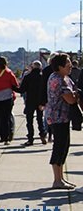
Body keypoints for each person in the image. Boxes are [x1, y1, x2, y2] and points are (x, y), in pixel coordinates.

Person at [45, 53, 77, 189]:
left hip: (62, 117)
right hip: (57, 117)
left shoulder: (64, 78)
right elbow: (70, 98)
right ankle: (57, 180)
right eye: (67, 63)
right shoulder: (59, 79)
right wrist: (76, 95)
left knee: (64, 147)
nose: (70, 65)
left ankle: (60, 178)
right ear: (59, 66)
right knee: (59, 147)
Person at [19, 60, 46, 145]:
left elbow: (22, 89)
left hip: (30, 101)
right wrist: (44, 102)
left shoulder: (28, 76)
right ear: (40, 67)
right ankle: (42, 134)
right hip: (40, 101)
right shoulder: (43, 77)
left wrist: (13, 87)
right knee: (40, 119)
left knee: (29, 121)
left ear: (32, 67)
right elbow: (45, 90)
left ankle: (30, 138)